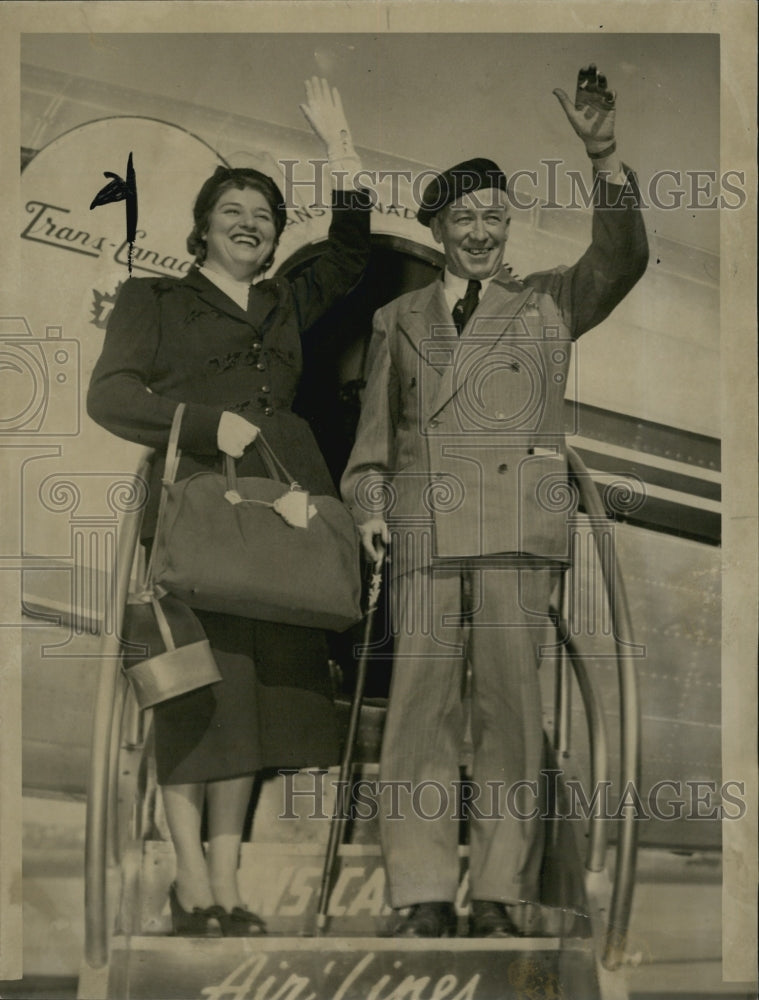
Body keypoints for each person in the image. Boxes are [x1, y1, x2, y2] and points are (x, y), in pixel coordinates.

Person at [340, 65, 648, 938]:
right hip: (424, 531)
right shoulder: (396, 319)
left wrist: (603, 155)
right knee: (418, 718)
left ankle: (505, 894)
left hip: (518, 533)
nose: (479, 232)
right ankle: (422, 893)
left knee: (512, 719)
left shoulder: (550, 303)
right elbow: (375, 443)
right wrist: (367, 506)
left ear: (506, 227)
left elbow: (620, 258)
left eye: (492, 218)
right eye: (463, 219)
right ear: (437, 229)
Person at [87, 78, 371, 936]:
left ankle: (225, 882)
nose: (250, 222)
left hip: (282, 512)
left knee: (253, 704)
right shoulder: (155, 300)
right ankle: (188, 884)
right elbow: (109, 396)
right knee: (191, 698)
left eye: (264, 214)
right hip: (199, 512)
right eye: (233, 210)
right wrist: (211, 423)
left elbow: (351, 251)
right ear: (204, 226)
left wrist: (342, 147)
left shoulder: (287, 298)